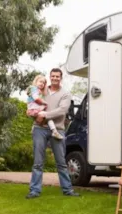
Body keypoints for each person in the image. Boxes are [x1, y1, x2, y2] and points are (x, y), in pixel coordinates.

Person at [26, 68, 80, 198]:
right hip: (40, 128)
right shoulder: (42, 90)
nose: (55, 78)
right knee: (38, 162)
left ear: (61, 78)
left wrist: (45, 114)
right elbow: (33, 103)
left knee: (61, 162)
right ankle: (34, 191)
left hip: (57, 129)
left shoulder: (65, 94)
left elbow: (62, 111)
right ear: (50, 77)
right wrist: (34, 116)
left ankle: (67, 190)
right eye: (53, 76)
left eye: (57, 76)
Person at [26, 75, 63, 140]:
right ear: (36, 81)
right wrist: (44, 103)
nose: (42, 84)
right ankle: (54, 131)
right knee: (48, 116)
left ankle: (34, 128)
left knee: (43, 118)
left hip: (34, 109)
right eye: (40, 82)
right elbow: (36, 99)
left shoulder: (38, 90)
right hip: (34, 109)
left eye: (43, 83)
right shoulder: (33, 88)